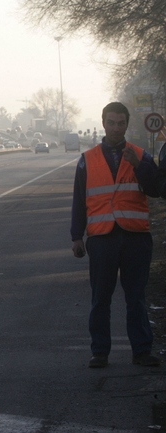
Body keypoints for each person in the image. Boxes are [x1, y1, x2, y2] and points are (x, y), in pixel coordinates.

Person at [71, 101, 160, 368]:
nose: (116, 128)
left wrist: (140, 167)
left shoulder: (140, 156)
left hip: (135, 237)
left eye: (121, 123)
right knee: (100, 298)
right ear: (103, 123)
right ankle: (100, 352)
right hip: (101, 239)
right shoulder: (87, 160)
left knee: (136, 298)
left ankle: (142, 351)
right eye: (111, 122)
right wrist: (77, 235)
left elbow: (155, 189)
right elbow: (79, 199)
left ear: (126, 124)